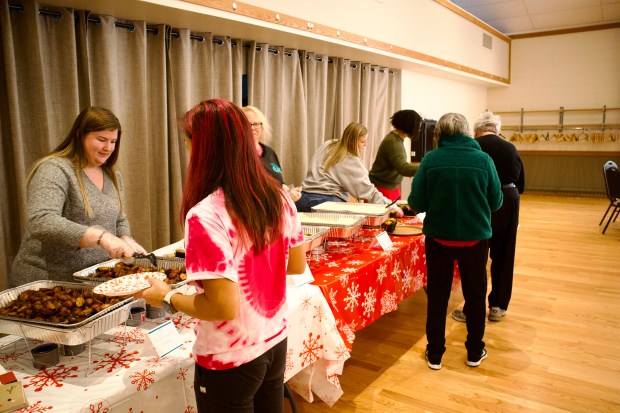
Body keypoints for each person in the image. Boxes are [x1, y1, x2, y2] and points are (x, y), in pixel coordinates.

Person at [137, 99, 307, 413]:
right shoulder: (279, 196)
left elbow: (221, 306)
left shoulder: (206, 215)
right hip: (273, 340)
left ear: (202, 149)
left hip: (230, 358)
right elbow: (296, 264)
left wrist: (167, 296)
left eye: (188, 142)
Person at [10, 106, 146, 287]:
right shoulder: (55, 169)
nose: (109, 148)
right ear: (79, 136)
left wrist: (126, 240)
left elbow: (119, 219)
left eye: (113, 141)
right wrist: (101, 237)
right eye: (101, 140)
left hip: (91, 280)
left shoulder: (113, 174)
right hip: (47, 282)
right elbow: (41, 221)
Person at [408, 112, 503, 370]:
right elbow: (496, 201)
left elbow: (416, 202)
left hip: (439, 239)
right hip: (475, 239)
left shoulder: (431, 160)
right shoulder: (484, 160)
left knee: (438, 297)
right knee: (475, 295)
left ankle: (435, 353)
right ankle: (474, 351)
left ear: (440, 134)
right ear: (466, 132)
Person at [452, 111, 525, 323]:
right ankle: (498, 307)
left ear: (475, 131)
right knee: (504, 255)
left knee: (476, 257)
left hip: (479, 201)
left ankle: (471, 310)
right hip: (508, 200)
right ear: (497, 130)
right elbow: (521, 185)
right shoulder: (510, 147)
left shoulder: (473, 147)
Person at [295, 122, 403, 216]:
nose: (365, 145)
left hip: (302, 200)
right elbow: (368, 191)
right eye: (362, 142)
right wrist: (390, 205)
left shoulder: (328, 144)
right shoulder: (350, 160)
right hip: (327, 205)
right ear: (352, 141)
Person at [241, 105, 301, 202]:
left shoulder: (270, 152)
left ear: (262, 126)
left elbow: (280, 184)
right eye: (247, 124)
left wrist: (290, 193)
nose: (252, 128)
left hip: (275, 207)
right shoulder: (237, 154)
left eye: (256, 124)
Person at [369, 109, 423, 201]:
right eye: (418, 127)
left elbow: (400, 165)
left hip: (389, 187)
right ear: (409, 126)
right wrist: (426, 167)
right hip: (382, 189)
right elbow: (403, 169)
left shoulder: (396, 139)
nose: (419, 130)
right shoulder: (393, 142)